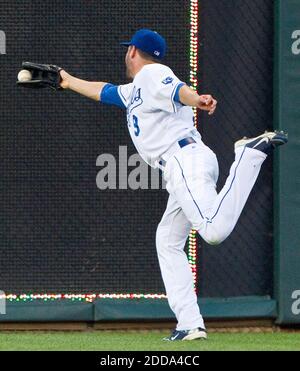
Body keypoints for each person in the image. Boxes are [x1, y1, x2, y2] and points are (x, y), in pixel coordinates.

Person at [58, 29, 288, 341]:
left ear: (134, 52)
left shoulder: (153, 73)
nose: (126, 54)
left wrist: (198, 99)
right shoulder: (137, 89)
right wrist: (67, 80)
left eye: (129, 49)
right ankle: (190, 324)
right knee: (167, 240)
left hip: (184, 162)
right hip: (184, 165)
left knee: (214, 230)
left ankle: (248, 156)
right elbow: (105, 91)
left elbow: (180, 90)